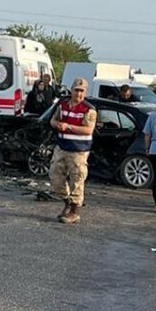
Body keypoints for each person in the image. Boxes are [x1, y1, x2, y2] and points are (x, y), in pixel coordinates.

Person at [49, 78, 97, 224]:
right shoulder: (63, 105)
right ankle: (66, 202)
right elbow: (52, 120)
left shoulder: (88, 109)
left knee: (77, 179)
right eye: (76, 90)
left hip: (79, 150)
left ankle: (74, 211)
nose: (79, 94)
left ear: (85, 92)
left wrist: (69, 127)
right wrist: (57, 124)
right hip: (62, 147)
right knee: (55, 176)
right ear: (71, 90)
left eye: (82, 91)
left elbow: (89, 129)